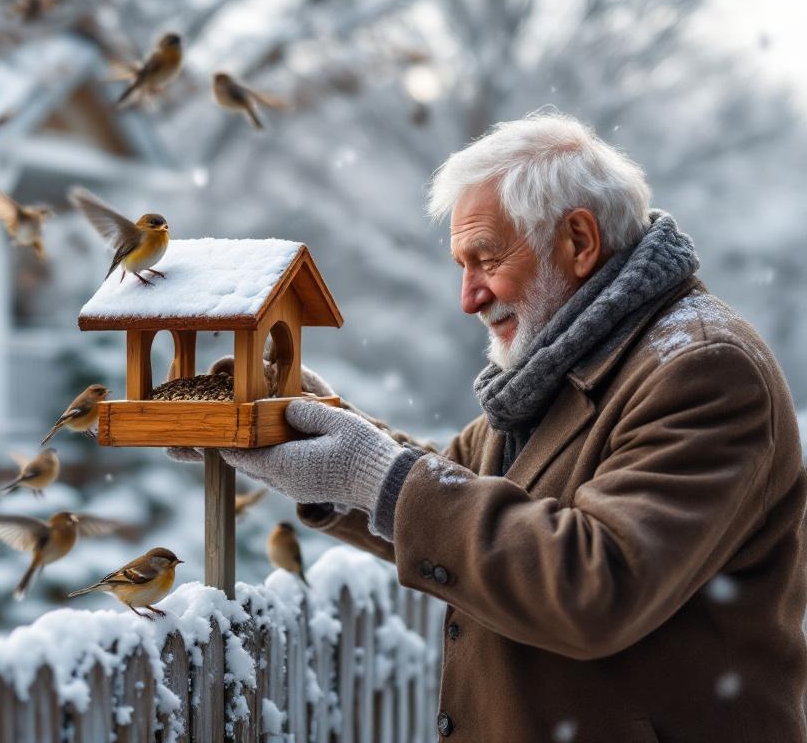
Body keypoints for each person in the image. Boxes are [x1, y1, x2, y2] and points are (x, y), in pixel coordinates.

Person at [215, 113, 807, 741]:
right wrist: (315, 438)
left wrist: (376, 475)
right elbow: (452, 496)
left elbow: (597, 585)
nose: (468, 297)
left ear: (579, 241)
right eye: (461, 265)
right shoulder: (561, 365)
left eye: (486, 260)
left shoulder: (703, 368)